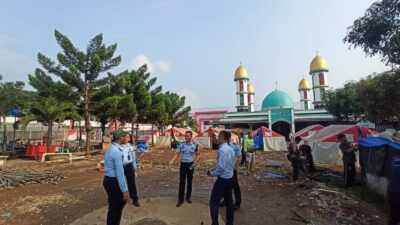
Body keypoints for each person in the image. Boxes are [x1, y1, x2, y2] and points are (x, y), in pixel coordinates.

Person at [207, 130, 236, 225]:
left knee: (214, 202)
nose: (217, 138)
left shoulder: (222, 150)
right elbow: (230, 163)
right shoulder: (231, 149)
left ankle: (215, 223)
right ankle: (230, 223)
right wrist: (215, 168)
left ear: (223, 138)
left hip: (223, 180)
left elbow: (221, 167)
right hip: (230, 178)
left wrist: (212, 173)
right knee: (229, 202)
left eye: (219, 136)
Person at [103, 129, 130, 225]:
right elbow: (120, 173)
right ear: (120, 138)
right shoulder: (117, 152)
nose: (127, 138)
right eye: (125, 136)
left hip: (107, 180)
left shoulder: (110, 148)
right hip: (114, 181)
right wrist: (125, 190)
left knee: (113, 207)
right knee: (117, 208)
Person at [170, 130, 199, 207]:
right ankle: (180, 199)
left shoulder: (195, 145)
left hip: (190, 165)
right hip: (183, 164)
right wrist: (172, 160)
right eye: (185, 136)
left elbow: (197, 155)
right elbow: (177, 154)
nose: (186, 137)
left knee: (190, 182)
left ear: (191, 137)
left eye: (188, 136)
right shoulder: (181, 145)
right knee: (182, 182)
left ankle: (188, 197)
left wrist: (194, 164)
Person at [221, 133, 242, 210]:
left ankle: (237, 203)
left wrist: (236, 167)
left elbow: (239, 157)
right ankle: (225, 200)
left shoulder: (235, 146)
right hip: (224, 169)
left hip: (232, 169)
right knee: (225, 185)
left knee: (235, 186)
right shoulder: (222, 146)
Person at [121, 134, 140, 207]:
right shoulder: (119, 147)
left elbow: (134, 159)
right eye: (125, 137)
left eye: (128, 137)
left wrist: (135, 169)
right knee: (121, 183)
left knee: (131, 183)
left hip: (129, 166)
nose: (127, 138)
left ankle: (135, 199)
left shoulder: (130, 147)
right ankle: (122, 199)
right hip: (121, 166)